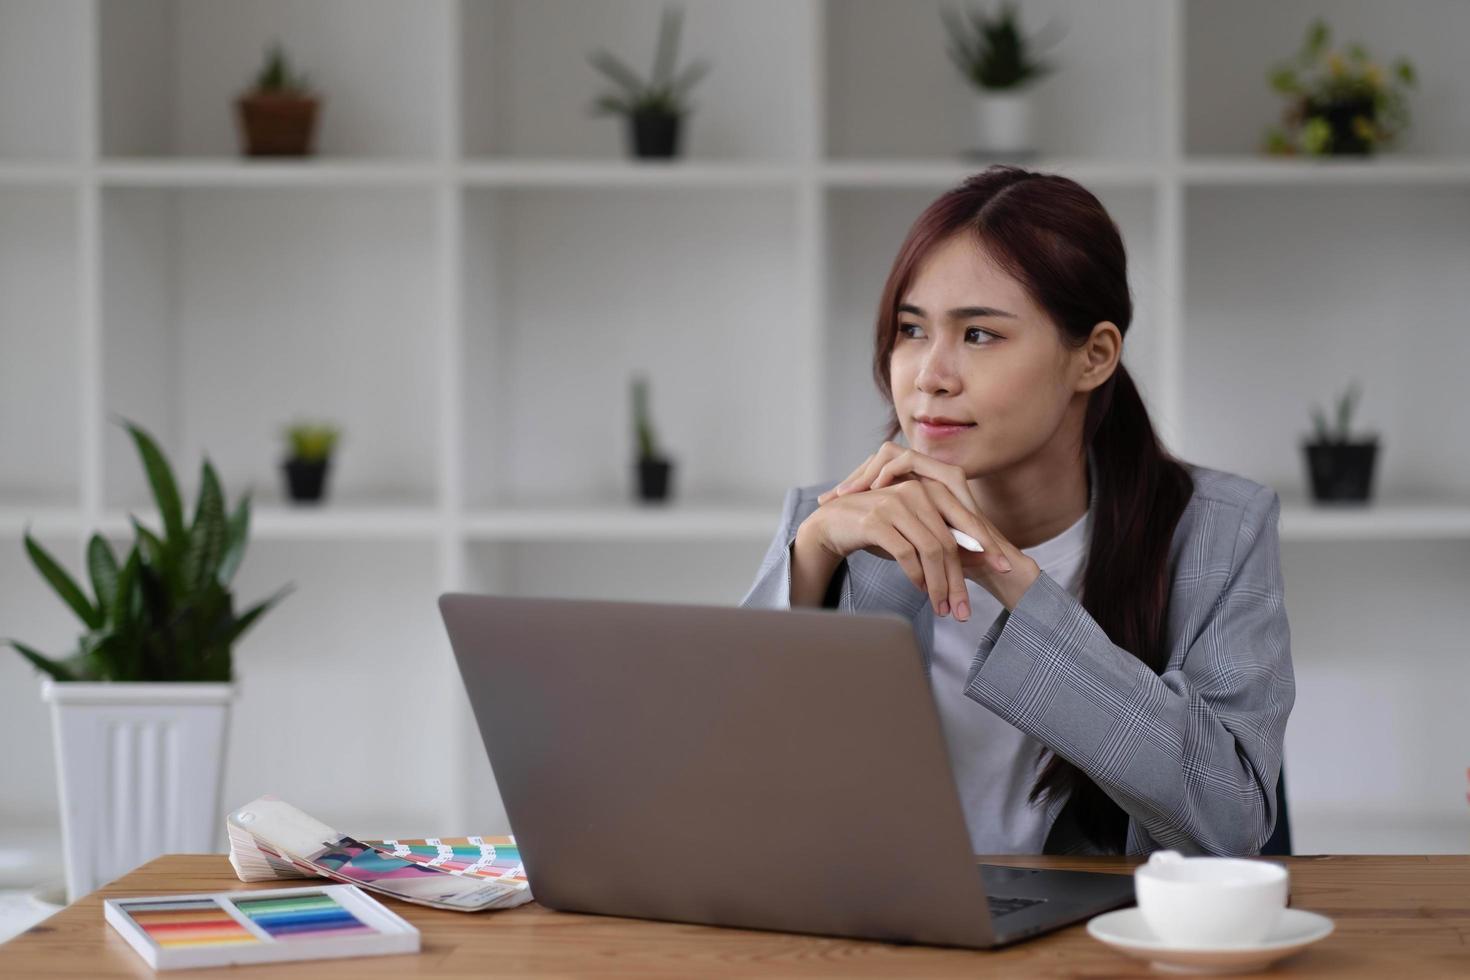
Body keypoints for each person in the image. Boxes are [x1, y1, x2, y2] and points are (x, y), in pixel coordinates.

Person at [739, 165, 1294, 857]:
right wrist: (811, 556)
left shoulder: (1220, 530)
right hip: (879, 940)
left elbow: (1230, 821)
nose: (930, 376)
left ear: (1093, 357)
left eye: (978, 335)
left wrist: (1013, 582)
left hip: (1104, 945)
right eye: (912, 330)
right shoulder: (834, 528)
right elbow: (726, 801)